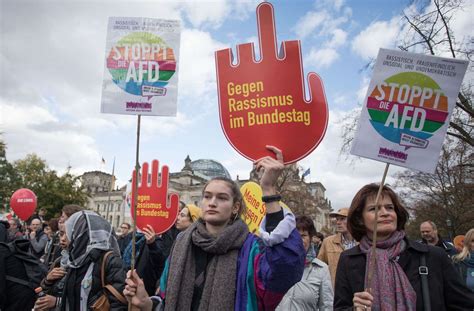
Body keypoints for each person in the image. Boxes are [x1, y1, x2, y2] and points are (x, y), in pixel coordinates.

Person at [124, 145, 305, 310]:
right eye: (207, 196)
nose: (212, 203)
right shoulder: (182, 243)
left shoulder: (251, 248)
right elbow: (165, 297)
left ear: (235, 207)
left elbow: (284, 271)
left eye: (222, 198)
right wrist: (148, 304)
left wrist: (268, 189)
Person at [334, 183, 474, 310]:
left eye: (390, 207)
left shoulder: (432, 256)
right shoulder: (349, 259)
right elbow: (340, 308)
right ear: (359, 219)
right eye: (374, 209)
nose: (385, 213)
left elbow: (464, 305)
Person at [60, 210, 126, 310]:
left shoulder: (110, 261)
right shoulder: (74, 260)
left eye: (67, 233)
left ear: (80, 233)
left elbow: (118, 304)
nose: (65, 238)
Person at [276, 215, 333, 310]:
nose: (298, 240)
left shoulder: (321, 270)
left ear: (311, 238)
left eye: (303, 236)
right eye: (295, 236)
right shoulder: (277, 265)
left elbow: (327, 307)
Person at [317, 207, 357, 287]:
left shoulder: (363, 242)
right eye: (337, 219)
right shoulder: (328, 242)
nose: (338, 222)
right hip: (336, 291)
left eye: (342, 219)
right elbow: (319, 267)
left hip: (357, 290)